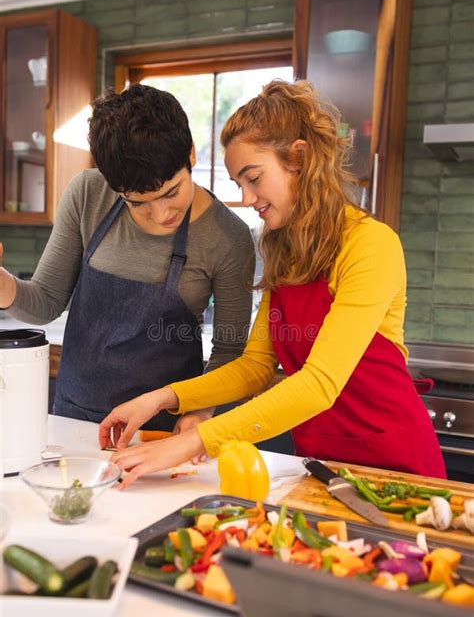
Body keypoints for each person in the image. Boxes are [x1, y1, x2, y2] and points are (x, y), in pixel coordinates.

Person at [99, 79, 446, 487]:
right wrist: (163, 397)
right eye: (238, 185)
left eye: (254, 178)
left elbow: (319, 384)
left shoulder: (370, 245)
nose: (247, 198)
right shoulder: (286, 251)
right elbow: (255, 367)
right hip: (319, 467)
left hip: (396, 468)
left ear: (299, 159)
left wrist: (193, 442)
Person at [0, 85, 255, 432]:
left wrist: (200, 414)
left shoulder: (228, 238)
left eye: (171, 192)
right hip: (73, 420)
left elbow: (230, 351)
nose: (160, 213)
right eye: (137, 202)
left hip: (163, 432)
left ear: (191, 155)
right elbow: (44, 302)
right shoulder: (87, 195)